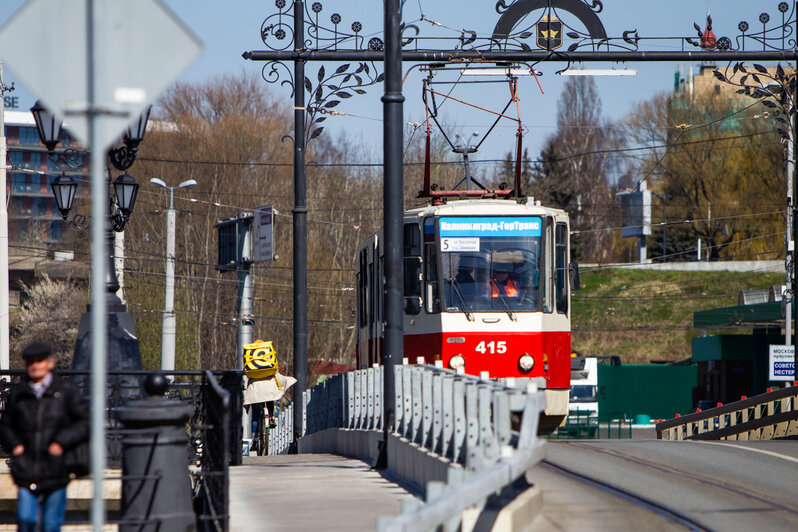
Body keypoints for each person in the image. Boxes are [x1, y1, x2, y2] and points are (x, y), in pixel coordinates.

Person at [0, 341, 88, 532]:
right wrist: (15, 445)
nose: (35, 365)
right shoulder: (19, 394)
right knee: (25, 521)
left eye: (39, 361)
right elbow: (5, 425)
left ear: (50, 363)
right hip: (26, 469)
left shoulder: (65, 392)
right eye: (30, 362)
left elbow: (83, 422)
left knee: (50, 525)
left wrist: (61, 442)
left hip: (56, 469)